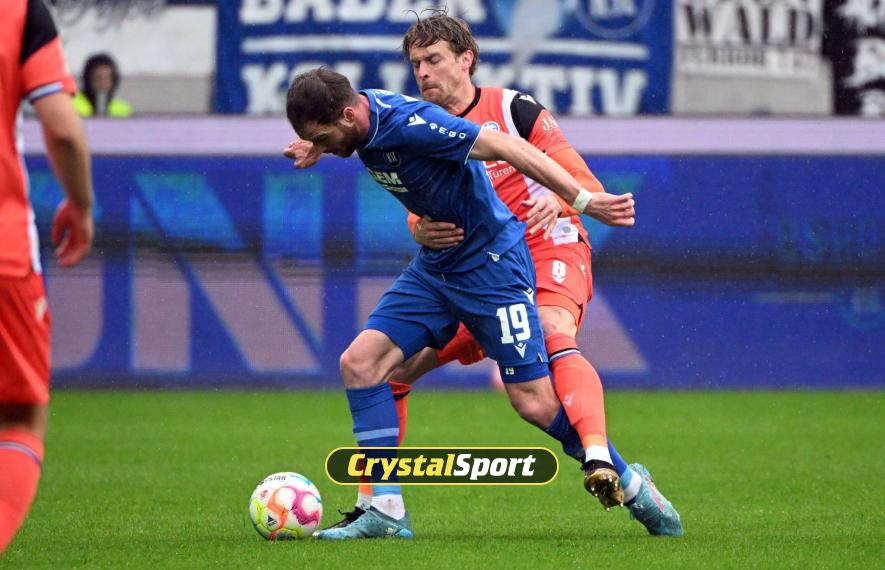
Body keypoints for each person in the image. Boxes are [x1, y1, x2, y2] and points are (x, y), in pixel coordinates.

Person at [285, 13, 683, 538]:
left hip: (496, 269)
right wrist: (323, 146)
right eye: (416, 63)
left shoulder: (442, 119)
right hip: (439, 270)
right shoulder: (368, 119)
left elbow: (510, 148)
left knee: (534, 398)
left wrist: (580, 200)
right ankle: (384, 509)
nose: (423, 72)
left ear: (465, 59)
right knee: (363, 364)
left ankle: (623, 478)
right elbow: (412, 187)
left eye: (433, 60)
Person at [0, 0, 95, 554]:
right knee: (19, 417)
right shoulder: (18, 11)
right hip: (4, 251)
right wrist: (80, 205)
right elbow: (61, 131)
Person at [72, 53, 132, 118]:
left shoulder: (122, 109)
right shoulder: (72, 105)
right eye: (97, 78)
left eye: (107, 79)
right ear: (87, 80)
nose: (102, 84)